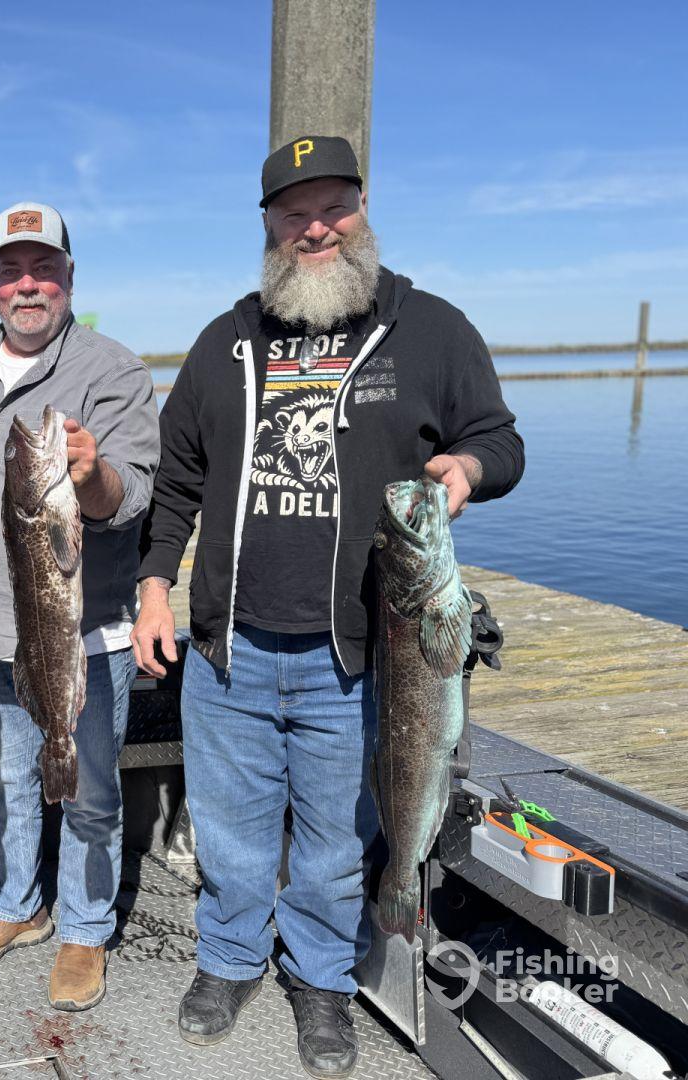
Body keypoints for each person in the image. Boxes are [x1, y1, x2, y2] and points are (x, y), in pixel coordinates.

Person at [133, 136, 524, 1077]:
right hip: (229, 646)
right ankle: (227, 962)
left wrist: (465, 469)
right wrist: (155, 585)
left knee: (336, 837)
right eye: (293, 212)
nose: (315, 227)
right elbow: (178, 477)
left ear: (362, 208)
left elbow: (499, 441)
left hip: (362, 655)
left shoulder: (430, 330)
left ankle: (320, 978)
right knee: (227, 827)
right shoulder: (227, 339)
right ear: (267, 225)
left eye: (333, 206)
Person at [0, 203, 159, 1011]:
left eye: (43, 269)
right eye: (10, 270)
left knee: (91, 788)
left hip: (83, 631)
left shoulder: (113, 370)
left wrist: (91, 474)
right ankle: (17, 903)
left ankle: (85, 927)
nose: (26, 285)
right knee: (2, 780)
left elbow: (132, 492)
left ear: (69, 276)